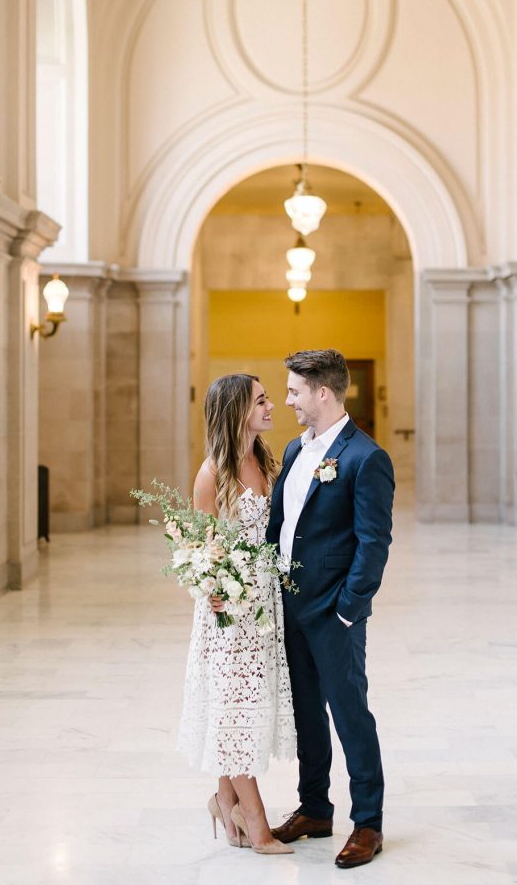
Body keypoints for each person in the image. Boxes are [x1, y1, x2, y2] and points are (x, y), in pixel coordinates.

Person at [267, 349, 394, 869]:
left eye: (295, 391)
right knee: (306, 715)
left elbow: (374, 542)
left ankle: (368, 823)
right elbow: (283, 525)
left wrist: (348, 608)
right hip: (290, 607)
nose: (289, 400)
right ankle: (316, 808)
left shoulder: (366, 458)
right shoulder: (297, 452)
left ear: (323, 393)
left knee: (349, 714)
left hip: (334, 613)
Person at [179, 373, 295, 855]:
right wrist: (210, 591)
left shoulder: (268, 461)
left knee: (243, 710)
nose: (271, 406)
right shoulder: (213, 474)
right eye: (261, 401)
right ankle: (256, 822)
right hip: (230, 619)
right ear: (236, 412)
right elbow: (195, 549)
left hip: (267, 608)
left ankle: (222, 804)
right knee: (233, 712)